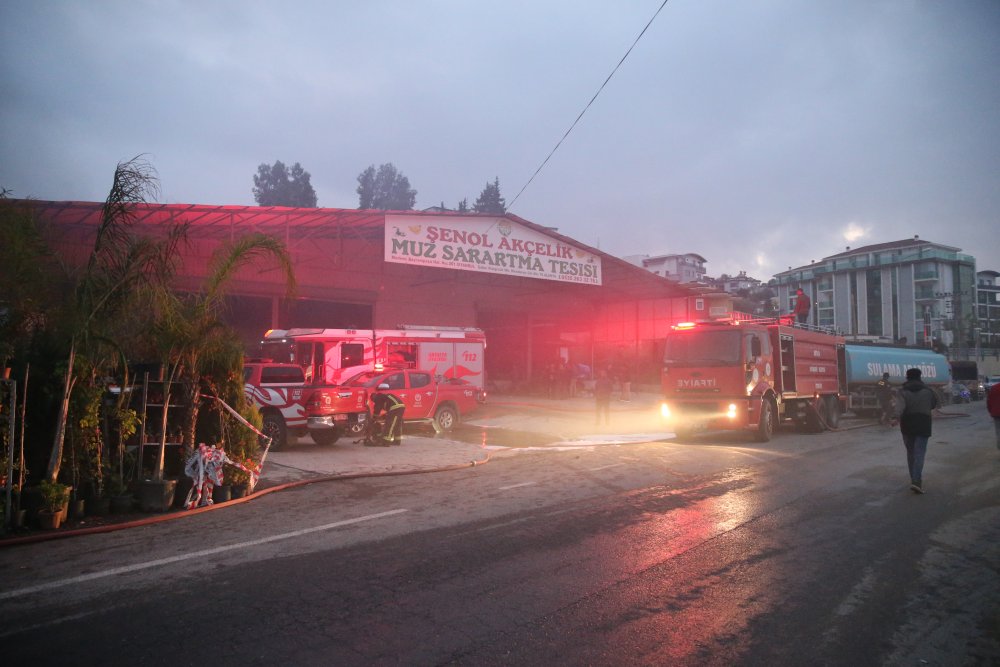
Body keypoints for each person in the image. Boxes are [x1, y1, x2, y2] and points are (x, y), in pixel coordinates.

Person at [896, 367, 938, 494]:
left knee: (911, 453)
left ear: (907, 377)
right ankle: (916, 481)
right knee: (919, 453)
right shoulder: (928, 390)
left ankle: (913, 479)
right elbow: (934, 404)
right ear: (920, 377)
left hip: (907, 424)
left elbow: (900, 408)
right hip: (923, 423)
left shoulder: (902, 391)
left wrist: (894, 418)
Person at [987, 378, 1000, 450]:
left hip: (997, 414)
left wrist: (990, 411)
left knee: (998, 432)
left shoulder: (994, 388)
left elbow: (989, 401)